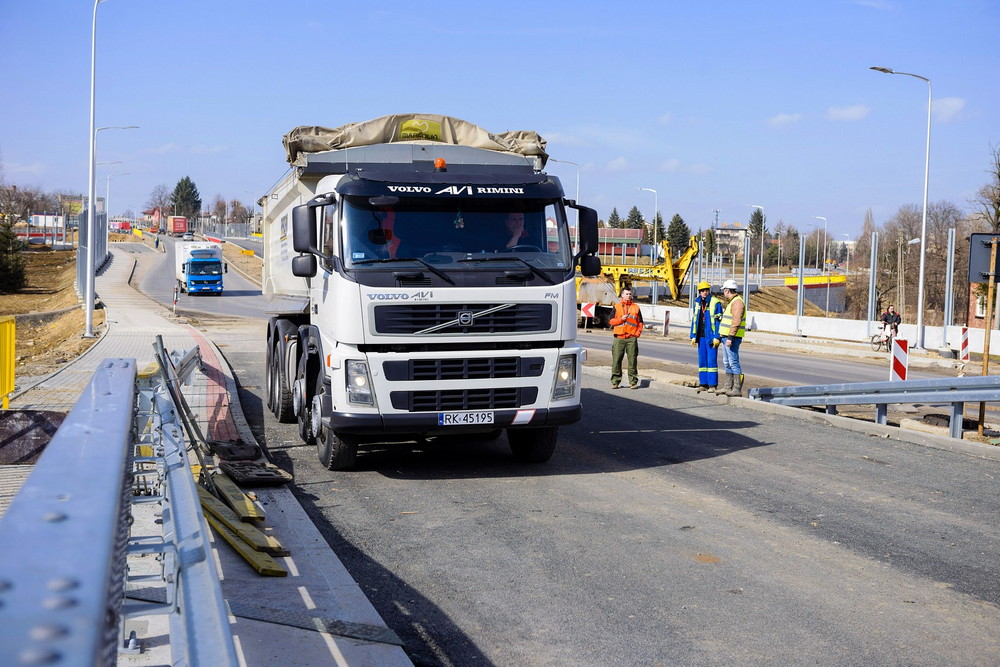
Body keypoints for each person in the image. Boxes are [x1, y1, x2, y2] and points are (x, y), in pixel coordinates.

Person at [690, 281, 723, 392]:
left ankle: (712, 385)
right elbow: (694, 321)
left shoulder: (715, 302)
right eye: (702, 291)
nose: (704, 292)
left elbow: (718, 322)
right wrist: (693, 336)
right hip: (701, 337)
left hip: (711, 337)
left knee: (711, 362)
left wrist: (717, 337)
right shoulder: (697, 303)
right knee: (702, 362)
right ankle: (703, 384)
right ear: (699, 292)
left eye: (706, 290)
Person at [609, 287, 644, 389]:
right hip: (619, 338)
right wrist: (621, 319)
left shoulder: (636, 307)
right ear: (622, 295)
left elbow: (640, 322)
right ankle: (615, 382)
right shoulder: (617, 307)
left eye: (630, 294)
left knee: (632, 360)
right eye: (627, 294)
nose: (629, 296)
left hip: (631, 338)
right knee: (616, 360)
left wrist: (637, 334)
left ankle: (633, 382)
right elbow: (611, 321)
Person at [716, 279, 746, 397]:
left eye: (724, 290)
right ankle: (727, 387)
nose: (723, 292)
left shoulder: (737, 302)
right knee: (727, 362)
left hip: (731, 338)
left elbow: (736, 321)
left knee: (733, 362)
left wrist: (730, 337)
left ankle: (737, 389)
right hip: (726, 337)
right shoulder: (733, 301)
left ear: (727, 290)